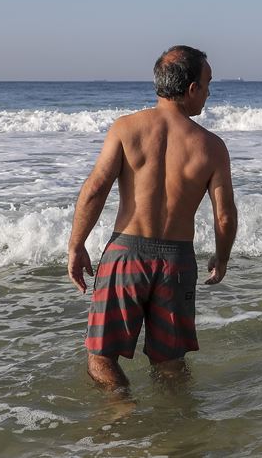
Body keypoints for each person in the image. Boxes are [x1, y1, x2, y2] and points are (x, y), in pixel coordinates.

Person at [68, 45, 237, 390]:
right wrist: (221, 258)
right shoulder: (211, 147)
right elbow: (224, 215)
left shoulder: (126, 129)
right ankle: (177, 431)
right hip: (176, 263)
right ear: (191, 89)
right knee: (171, 362)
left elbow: (95, 188)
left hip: (125, 255)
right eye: (207, 85)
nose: (208, 93)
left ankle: (122, 413)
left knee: (101, 357)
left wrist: (76, 244)